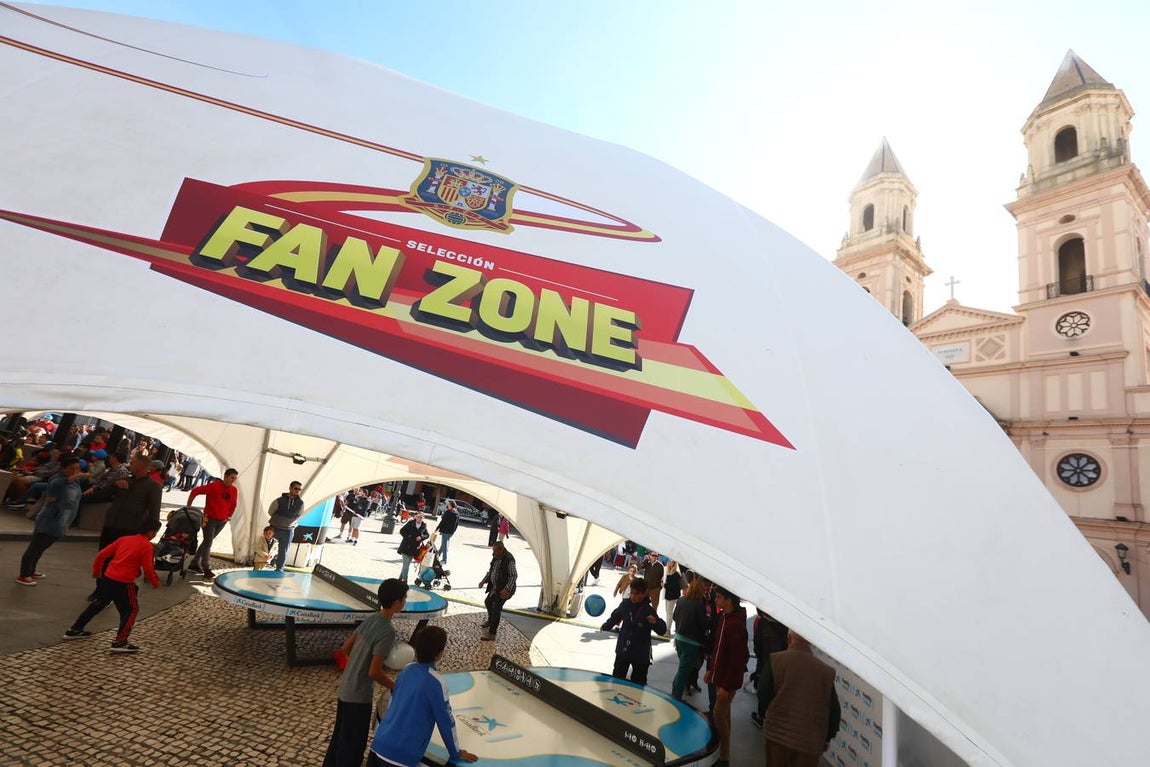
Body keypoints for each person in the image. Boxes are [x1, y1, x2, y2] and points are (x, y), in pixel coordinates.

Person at [324, 578, 408, 767]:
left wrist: (355, 664)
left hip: (345, 689)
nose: (405, 602)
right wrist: (394, 686)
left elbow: (345, 647)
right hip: (359, 696)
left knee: (339, 739)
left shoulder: (372, 617)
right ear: (396, 602)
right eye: (404, 599)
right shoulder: (387, 630)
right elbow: (374, 672)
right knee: (353, 746)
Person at [366, 626, 478, 767]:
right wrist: (456, 752)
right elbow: (445, 721)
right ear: (440, 654)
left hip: (379, 745)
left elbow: (396, 701)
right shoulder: (437, 683)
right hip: (401, 757)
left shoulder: (407, 669)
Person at [63, 519, 162, 652]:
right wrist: (154, 581)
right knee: (130, 610)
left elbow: (101, 555)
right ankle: (120, 642)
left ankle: (74, 629)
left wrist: (97, 572)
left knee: (98, 604)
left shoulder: (124, 539)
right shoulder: (147, 546)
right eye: (155, 532)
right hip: (125, 582)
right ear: (151, 532)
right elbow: (148, 568)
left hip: (108, 578)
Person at [760, 631, 841, 767]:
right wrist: (827, 737)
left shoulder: (776, 660)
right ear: (810, 642)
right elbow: (834, 710)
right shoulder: (826, 671)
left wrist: (765, 713)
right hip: (809, 743)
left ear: (789, 638)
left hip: (777, 735)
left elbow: (763, 692)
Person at [16, 456, 83, 585]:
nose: (75, 471)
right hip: (49, 519)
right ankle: (23, 574)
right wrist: (75, 477)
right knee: (35, 547)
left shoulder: (75, 481)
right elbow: (56, 484)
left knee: (42, 547)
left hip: (61, 520)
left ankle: (31, 570)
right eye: (72, 469)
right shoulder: (57, 479)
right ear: (63, 468)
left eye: (77, 468)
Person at [706, 586, 749, 767]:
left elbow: (737, 659)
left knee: (718, 714)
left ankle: (724, 757)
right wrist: (711, 670)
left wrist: (727, 686)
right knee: (724, 714)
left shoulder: (735, 624)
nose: (716, 600)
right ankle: (724, 754)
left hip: (726, 681)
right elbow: (718, 648)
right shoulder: (725, 618)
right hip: (720, 676)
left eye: (719, 597)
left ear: (729, 600)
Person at [600, 576, 666, 686]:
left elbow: (662, 630)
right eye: (631, 593)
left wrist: (655, 623)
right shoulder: (625, 604)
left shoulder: (648, 610)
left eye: (636, 594)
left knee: (638, 685)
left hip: (640, 654)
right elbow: (615, 617)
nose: (632, 596)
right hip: (623, 650)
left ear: (644, 593)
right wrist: (606, 626)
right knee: (617, 680)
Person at [96, 453, 162, 550]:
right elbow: (103, 493)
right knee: (103, 554)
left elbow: (154, 509)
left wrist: (152, 529)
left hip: (131, 528)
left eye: (132, 463)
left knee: (121, 557)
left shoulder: (153, 486)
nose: (129, 465)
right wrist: (115, 485)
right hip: (111, 524)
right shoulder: (125, 479)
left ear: (140, 465)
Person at [186, 467, 239, 580]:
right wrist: (188, 507)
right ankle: (206, 568)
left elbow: (233, 504)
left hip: (222, 521)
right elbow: (195, 491)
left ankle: (195, 562)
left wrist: (229, 516)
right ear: (225, 476)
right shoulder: (214, 486)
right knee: (208, 542)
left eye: (235, 478)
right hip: (209, 519)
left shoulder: (234, 490)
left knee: (207, 542)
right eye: (231, 478)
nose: (233, 480)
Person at [671, 576, 708, 700]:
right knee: (684, 671)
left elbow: (675, 617)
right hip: (691, 642)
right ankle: (675, 696)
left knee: (682, 668)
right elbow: (703, 624)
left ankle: (675, 691)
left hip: (679, 638)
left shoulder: (681, 600)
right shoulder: (699, 604)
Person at [751, 610, 791, 727]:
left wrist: (760, 659)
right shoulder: (785, 624)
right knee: (777, 689)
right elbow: (786, 645)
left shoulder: (763, 623)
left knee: (764, 688)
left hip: (766, 662)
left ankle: (761, 716)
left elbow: (757, 645)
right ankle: (774, 717)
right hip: (780, 663)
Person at [478, 540, 517, 641]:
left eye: (495, 550)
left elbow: (513, 576)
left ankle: (492, 633)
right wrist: (483, 581)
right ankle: (491, 621)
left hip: (504, 590)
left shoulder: (509, 559)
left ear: (501, 549)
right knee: (488, 602)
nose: (493, 553)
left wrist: (507, 589)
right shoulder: (495, 557)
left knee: (496, 609)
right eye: (493, 550)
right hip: (495, 588)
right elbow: (491, 571)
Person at [267, 481, 304, 571]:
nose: (297, 491)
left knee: (283, 552)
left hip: (288, 530)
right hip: (274, 528)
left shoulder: (300, 503)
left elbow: (299, 514)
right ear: (290, 488)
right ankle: (260, 565)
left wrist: (292, 523)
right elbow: (270, 511)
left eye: (299, 489)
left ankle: (279, 569)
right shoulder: (279, 500)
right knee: (266, 548)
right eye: (295, 488)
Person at [396, 511, 429, 583]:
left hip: (414, 549)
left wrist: (421, 537)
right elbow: (402, 531)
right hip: (405, 546)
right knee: (406, 564)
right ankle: (405, 580)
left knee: (406, 565)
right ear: (415, 517)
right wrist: (409, 536)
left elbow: (427, 535)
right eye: (418, 517)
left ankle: (400, 578)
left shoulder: (424, 526)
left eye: (421, 517)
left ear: (423, 518)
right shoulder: (410, 523)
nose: (419, 518)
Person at [434, 500, 459, 565]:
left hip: (445, 531)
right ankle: (437, 556)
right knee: (443, 545)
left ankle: (444, 559)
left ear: (450, 505)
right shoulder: (457, 513)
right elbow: (457, 524)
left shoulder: (448, 512)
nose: (447, 505)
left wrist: (437, 528)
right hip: (451, 531)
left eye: (448, 504)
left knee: (444, 545)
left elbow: (443, 521)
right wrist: (453, 532)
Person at [663, 561, 683, 630]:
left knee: (669, 613)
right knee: (668, 612)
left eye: (671, 562)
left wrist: (665, 585)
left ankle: (668, 630)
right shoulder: (668, 572)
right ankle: (668, 628)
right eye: (669, 562)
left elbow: (675, 587)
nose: (669, 563)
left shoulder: (676, 574)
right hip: (668, 595)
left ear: (674, 564)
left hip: (672, 596)